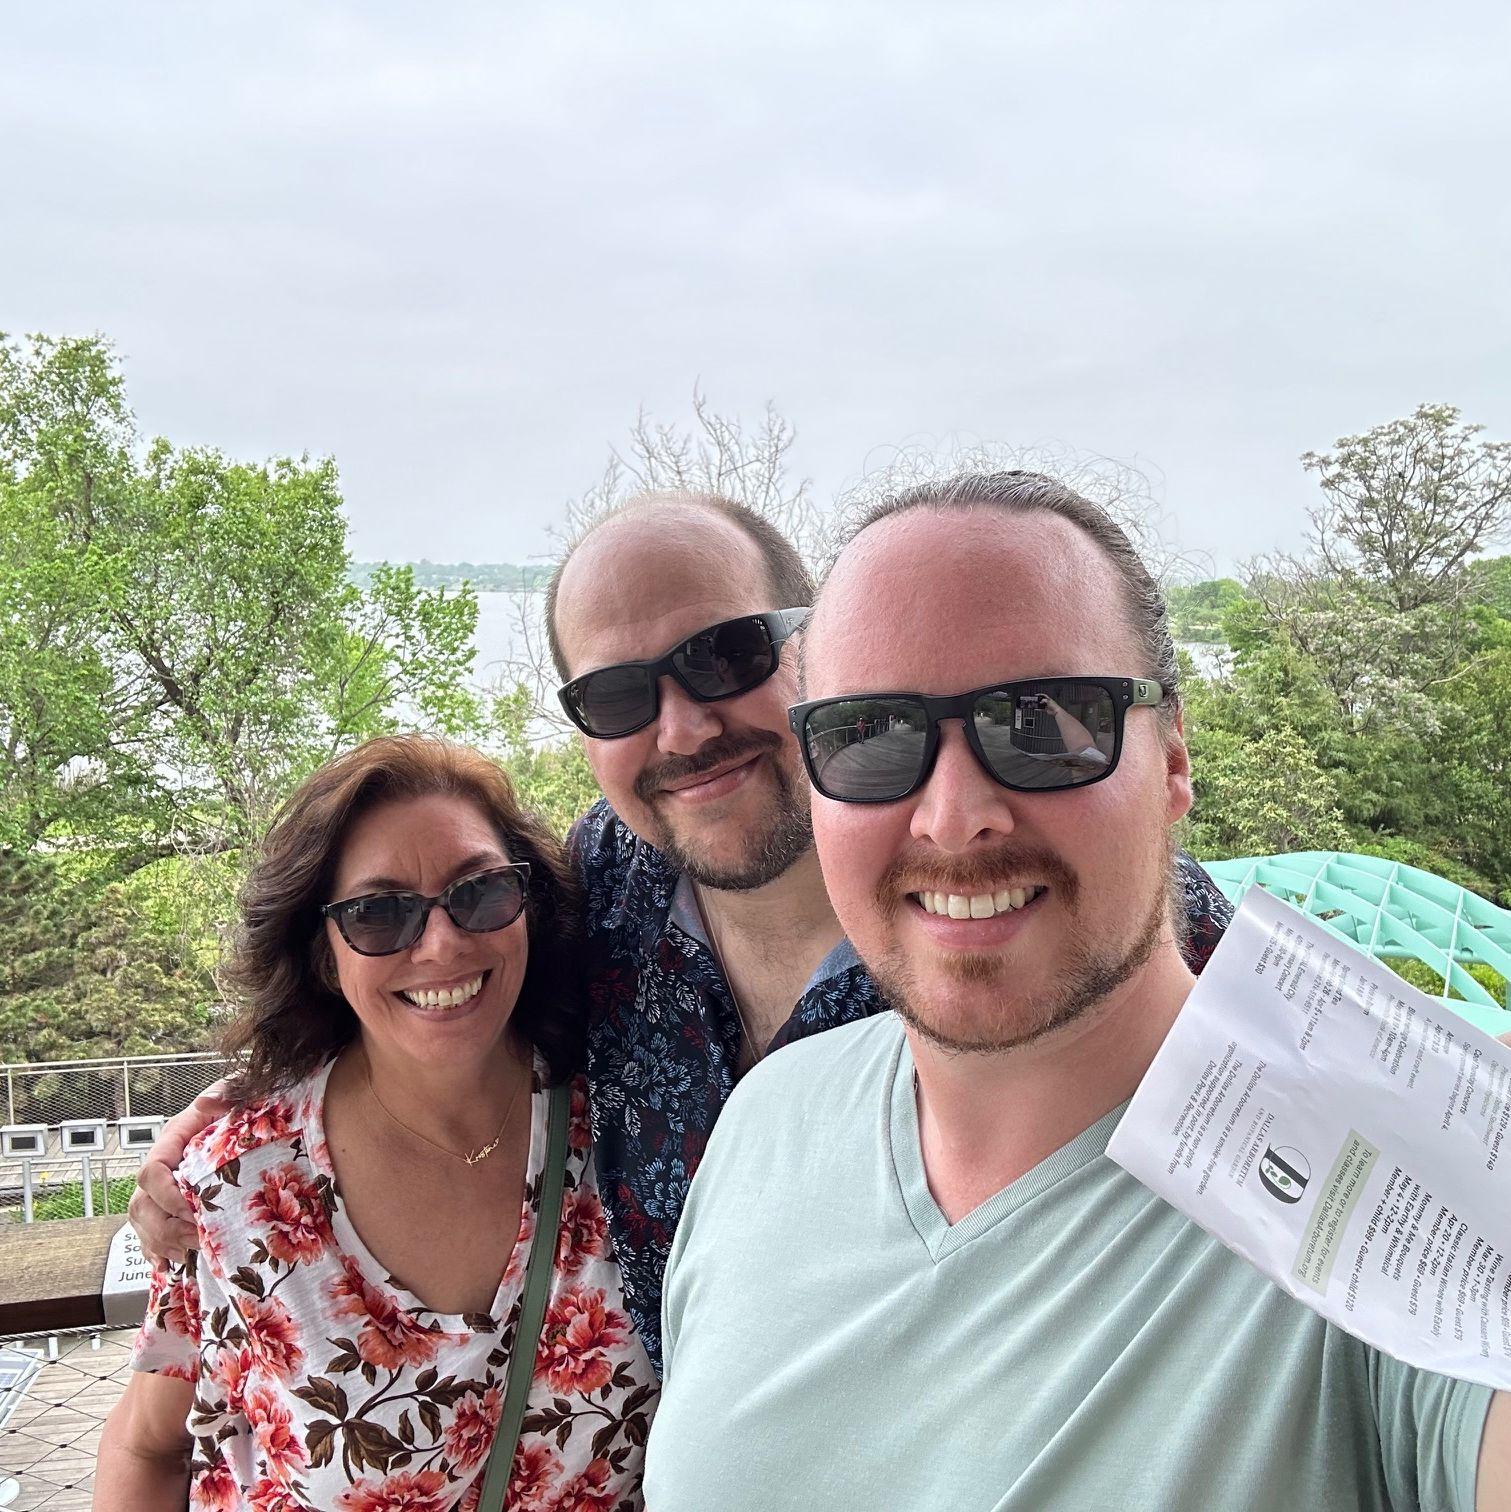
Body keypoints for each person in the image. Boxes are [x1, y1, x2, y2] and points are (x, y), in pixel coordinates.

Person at [130, 490, 1236, 1376]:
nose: (684, 728)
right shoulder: (597, 891)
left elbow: (1318, 1076)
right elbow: (429, 984)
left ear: (819, 658)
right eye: (615, 697)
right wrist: (250, 1101)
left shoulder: (1029, 895)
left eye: (723, 657)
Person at [643, 471, 1510, 1510]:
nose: (952, 817)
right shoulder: (767, 1123)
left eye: (1041, 721)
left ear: (1173, 758)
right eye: (869, 735)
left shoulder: (1403, 1182)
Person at [97, 736, 656, 1511]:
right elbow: (147, 1447)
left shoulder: (638, 1127)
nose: (442, 942)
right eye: (377, 913)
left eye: (481, 891)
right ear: (325, 955)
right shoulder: (236, 1184)